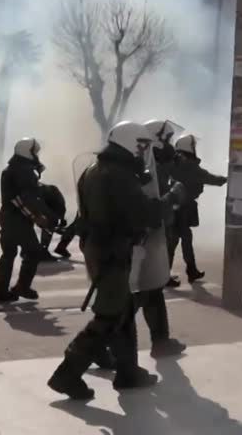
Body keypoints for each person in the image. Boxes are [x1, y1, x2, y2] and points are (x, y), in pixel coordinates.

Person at [48, 121, 160, 400]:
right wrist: (170, 200)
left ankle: (127, 373)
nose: (144, 151)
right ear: (130, 143)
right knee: (109, 314)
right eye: (142, 145)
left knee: (122, 310)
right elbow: (142, 214)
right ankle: (67, 374)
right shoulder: (118, 175)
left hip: (102, 249)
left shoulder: (96, 170)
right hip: (111, 251)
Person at [136, 119, 186, 356]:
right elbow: (149, 205)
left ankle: (161, 341)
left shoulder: (152, 163)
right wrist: (173, 197)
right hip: (141, 236)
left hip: (149, 234)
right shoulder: (142, 166)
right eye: (167, 139)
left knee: (150, 289)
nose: (170, 145)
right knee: (138, 294)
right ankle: (95, 345)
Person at [0, 137, 55, 304]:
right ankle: (21, 287)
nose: (37, 155)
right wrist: (37, 216)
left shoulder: (13, 169)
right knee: (33, 252)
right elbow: (24, 198)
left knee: (8, 254)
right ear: (27, 152)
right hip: (17, 219)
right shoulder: (23, 171)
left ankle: (1, 292)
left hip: (8, 216)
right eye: (35, 152)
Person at [166, 133, 226, 285]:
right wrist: (226, 178)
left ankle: (187, 271)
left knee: (176, 241)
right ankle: (186, 272)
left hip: (174, 208)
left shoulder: (173, 162)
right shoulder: (188, 165)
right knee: (180, 240)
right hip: (183, 209)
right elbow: (210, 178)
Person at [38, 181, 75, 262]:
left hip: (49, 205)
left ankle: (40, 251)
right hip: (43, 205)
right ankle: (41, 251)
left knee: (50, 225)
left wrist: (59, 221)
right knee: (49, 226)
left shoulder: (51, 193)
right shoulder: (42, 193)